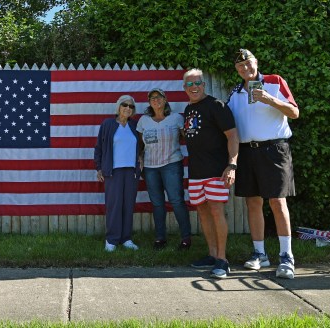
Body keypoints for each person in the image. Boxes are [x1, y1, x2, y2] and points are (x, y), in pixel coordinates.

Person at [227, 49, 299, 279]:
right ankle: (259, 254)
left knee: (278, 202)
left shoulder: (275, 82)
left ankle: (286, 257)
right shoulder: (236, 92)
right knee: (253, 203)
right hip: (248, 152)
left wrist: (270, 99)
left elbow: (295, 112)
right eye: (240, 67)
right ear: (237, 71)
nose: (245, 69)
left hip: (275, 149)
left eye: (248, 64)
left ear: (256, 62)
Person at [182, 68, 238, 279]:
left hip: (216, 171)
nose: (194, 87)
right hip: (196, 172)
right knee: (203, 213)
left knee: (216, 211)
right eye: (190, 84)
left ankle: (223, 261)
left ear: (204, 85)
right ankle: (212, 254)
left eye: (198, 83)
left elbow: (233, 136)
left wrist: (232, 165)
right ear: (184, 88)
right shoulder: (188, 110)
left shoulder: (217, 106)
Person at [137, 88, 192, 250]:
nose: (156, 100)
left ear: (165, 99)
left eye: (159, 97)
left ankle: (186, 238)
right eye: (152, 98)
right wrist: (139, 160)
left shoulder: (176, 118)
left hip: (172, 164)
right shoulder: (143, 121)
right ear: (149, 102)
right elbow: (140, 145)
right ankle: (160, 238)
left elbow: (186, 138)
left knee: (176, 201)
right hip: (150, 167)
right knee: (157, 203)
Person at [94, 95, 142, 252]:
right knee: (114, 206)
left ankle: (126, 238)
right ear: (118, 107)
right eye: (124, 105)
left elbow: (141, 147)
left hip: (131, 172)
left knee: (128, 205)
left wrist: (140, 161)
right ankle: (111, 240)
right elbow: (99, 148)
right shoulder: (108, 124)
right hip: (113, 172)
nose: (128, 108)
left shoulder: (135, 126)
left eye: (131, 106)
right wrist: (99, 168)